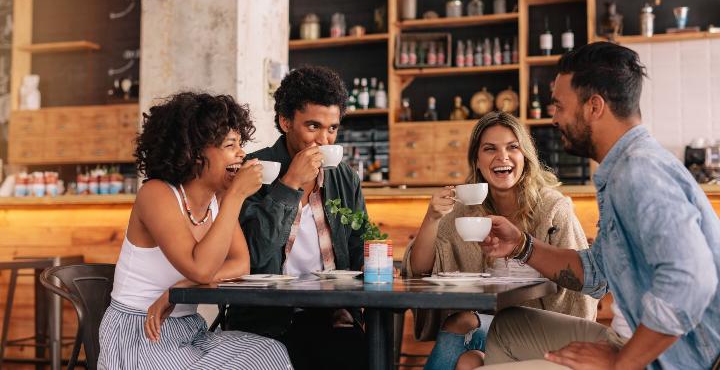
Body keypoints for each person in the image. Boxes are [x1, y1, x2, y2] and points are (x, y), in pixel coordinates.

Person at [478, 42, 720, 369]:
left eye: (560, 106)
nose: (554, 118)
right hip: (632, 341)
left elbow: (692, 278)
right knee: (508, 328)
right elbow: (595, 274)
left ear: (594, 107)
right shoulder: (626, 167)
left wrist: (620, 363)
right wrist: (521, 245)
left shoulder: (638, 173)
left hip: (674, 359)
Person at [98, 92, 292, 369]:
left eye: (240, 144)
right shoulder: (156, 194)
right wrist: (236, 195)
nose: (241, 153)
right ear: (195, 153)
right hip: (141, 331)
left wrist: (182, 288)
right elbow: (200, 268)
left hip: (188, 329)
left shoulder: (216, 200)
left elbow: (241, 264)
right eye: (230, 144)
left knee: (268, 352)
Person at [402, 111, 597, 370]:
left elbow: (579, 288)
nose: (502, 157)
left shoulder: (552, 209)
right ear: (477, 160)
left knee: (464, 335)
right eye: (490, 149)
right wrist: (432, 218)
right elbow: (420, 269)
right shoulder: (466, 211)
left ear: (525, 156)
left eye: (512, 147)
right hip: (493, 329)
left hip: (546, 331)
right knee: (469, 358)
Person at [226, 66, 367, 370]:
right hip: (269, 320)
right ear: (285, 121)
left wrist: (371, 263)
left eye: (332, 128)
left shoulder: (345, 178)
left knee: (361, 352)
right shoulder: (253, 171)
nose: (325, 140)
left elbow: (358, 244)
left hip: (333, 316)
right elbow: (253, 256)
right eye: (313, 126)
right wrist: (290, 185)